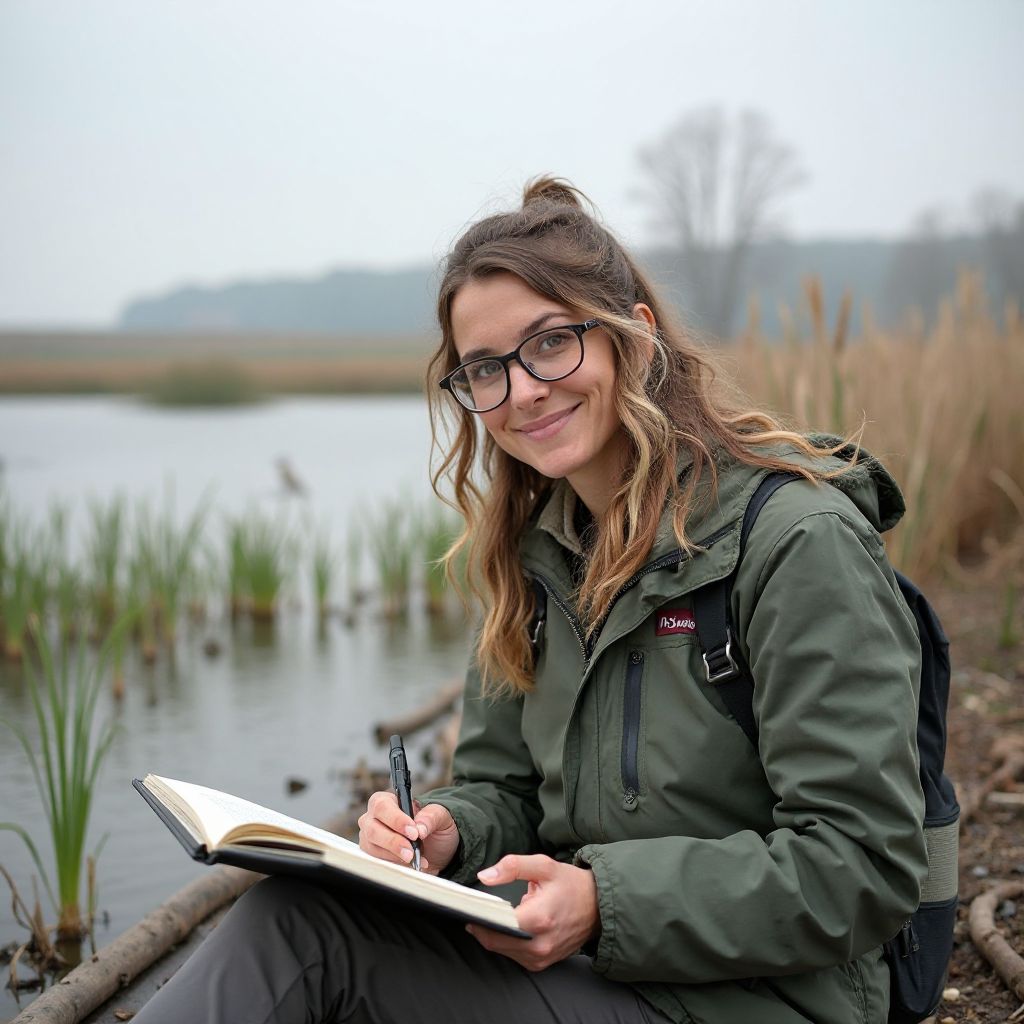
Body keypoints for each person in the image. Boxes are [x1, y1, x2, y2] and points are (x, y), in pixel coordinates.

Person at [135, 178, 927, 1024]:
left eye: (550, 343)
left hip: (764, 1004)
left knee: (305, 938)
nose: (521, 392)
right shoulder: (536, 559)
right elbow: (506, 790)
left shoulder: (797, 542)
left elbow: (864, 865)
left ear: (633, 337)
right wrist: (446, 829)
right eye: (486, 368)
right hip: (602, 978)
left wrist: (604, 903)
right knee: (295, 909)